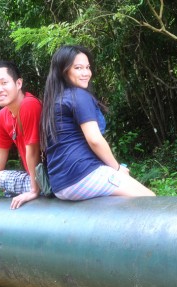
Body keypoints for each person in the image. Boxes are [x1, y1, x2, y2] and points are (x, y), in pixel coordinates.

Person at [41, 45, 155, 200]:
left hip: (60, 185)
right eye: (78, 68)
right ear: (63, 70)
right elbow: (95, 139)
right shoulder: (78, 96)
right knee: (148, 198)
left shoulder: (54, 100)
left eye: (87, 67)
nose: (86, 73)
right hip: (82, 175)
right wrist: (117, 168)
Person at [0, 61, 42, 209]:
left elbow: (34, 150)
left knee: (0, 177)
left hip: (49, 177)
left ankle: (39, 190)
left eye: (4, 83)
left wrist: (34, 190)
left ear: (18, 83)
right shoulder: (3, 115)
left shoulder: (29, 105)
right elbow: (0, 152)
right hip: (34, 176)